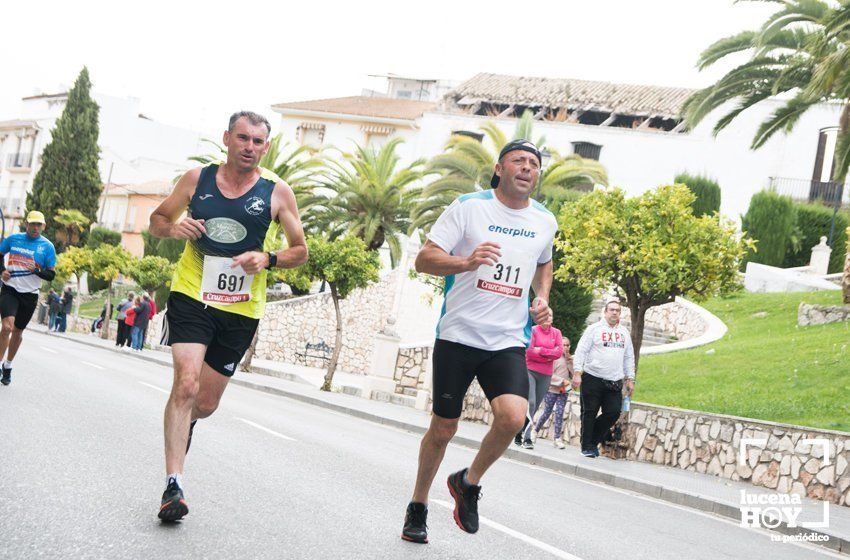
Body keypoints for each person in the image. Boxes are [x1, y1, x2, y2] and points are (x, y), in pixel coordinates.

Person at [149, 111, 307, 522]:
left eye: (257, 141)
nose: (249, 147)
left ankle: (186, 423)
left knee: (205, 401)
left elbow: (300, 250)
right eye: (242, 138)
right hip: (191, 295)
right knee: (185, 384)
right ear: (226, 139)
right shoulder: (196, 179)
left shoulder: (277, 192)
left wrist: (268, 258)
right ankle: (173, 486)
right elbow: (157, 220)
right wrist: (174, 229)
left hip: (240, 310)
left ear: (266, 147)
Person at [401, 139, 556, 544]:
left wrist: (542, 299)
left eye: (534, 164)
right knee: (444, 427)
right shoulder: (469, 207)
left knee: (513, 417)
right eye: (518, 161)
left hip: (506, 339)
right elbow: (424, 260)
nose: (527, 168)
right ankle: (418, 504)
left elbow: (544, 263)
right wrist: (467, 262)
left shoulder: (545, 221)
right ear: (499, 168)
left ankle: (468, 483)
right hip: (458, 334)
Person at [572, 299, 635, 458]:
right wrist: (577, 372)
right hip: (592, 377)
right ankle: (587, 447)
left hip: (614, 380)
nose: (614, 312)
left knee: (613, 412)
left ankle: (592, 440)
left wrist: (630, 378)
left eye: (617, 310)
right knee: (590, 412)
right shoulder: (594, 329)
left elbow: (629, 356)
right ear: (605, 312)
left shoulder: (624, 333)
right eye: (612, 310)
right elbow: (581, 351)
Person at [0, 211, 57, 385]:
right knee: (7, 327)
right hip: (10, 290)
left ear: (43, 226)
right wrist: (2, 271)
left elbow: (50, 275)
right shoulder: (13, 239)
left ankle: (8, 366)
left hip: (30, 295)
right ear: (26, 224)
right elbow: (0, 255)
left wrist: (37, 270)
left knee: (17, 331)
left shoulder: (47, 247)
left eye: (38, 225)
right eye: (32, 224)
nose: (35, 228)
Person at [516, 322, 563, 449]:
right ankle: (526, 438)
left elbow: (558, 352)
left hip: (546, 374)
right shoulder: (532, 330)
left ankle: (518, 431)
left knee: (535, 406)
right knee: (531, 403)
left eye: (550, 316)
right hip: (530, 370)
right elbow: (530, 352)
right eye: (545, 315)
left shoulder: (556, 333)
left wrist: (541, 350)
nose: (547, 318)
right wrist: (549, 355)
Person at [532, 337, 573, 449]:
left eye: (568, 345)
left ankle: (557, 438)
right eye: (563, 345)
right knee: (547, 412)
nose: (566, 347)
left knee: (560, 412)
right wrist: (561, 381)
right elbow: (548, 374)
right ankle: (535, 431)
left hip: (564, 390)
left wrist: (570, 362)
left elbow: (573, 374)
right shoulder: (553, 358)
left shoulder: (569, 359)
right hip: (552, 389)